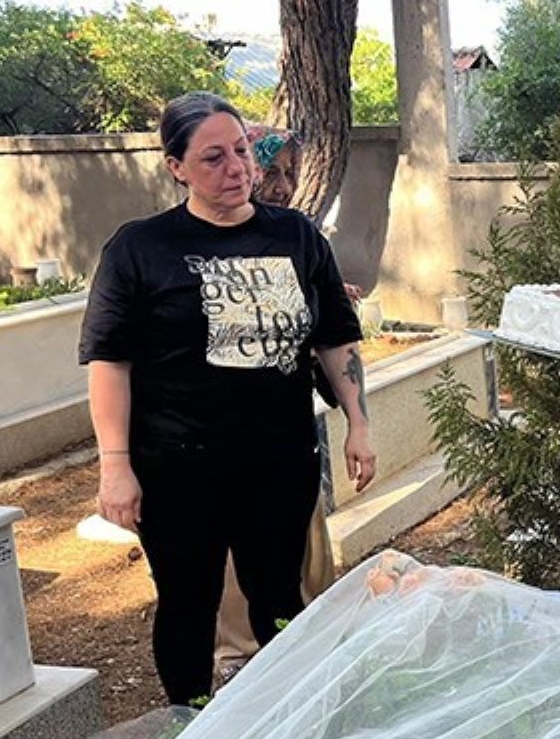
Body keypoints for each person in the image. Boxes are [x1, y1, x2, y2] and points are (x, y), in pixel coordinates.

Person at [80, 91, 377, 706]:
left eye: (241, 151)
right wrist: (116, 467)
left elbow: (335, 338)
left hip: (279, 461)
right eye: (213, 157)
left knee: (278, 599)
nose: (236, 169)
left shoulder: (296, 236)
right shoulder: (139, 250)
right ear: (176, 167)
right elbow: (111, 362)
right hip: (177, 470)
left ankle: (283, 717)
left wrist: (358, 422)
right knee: (189, 603)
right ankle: (187, 724)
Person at [210, 124, 348, 687]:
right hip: (221, 443)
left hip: (288, 432)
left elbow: (318, 328)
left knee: (306, 545)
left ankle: (306, 645)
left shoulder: (294, 237)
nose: (286, 184)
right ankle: (238, 663)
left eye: (291, 171)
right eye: (275, 169)